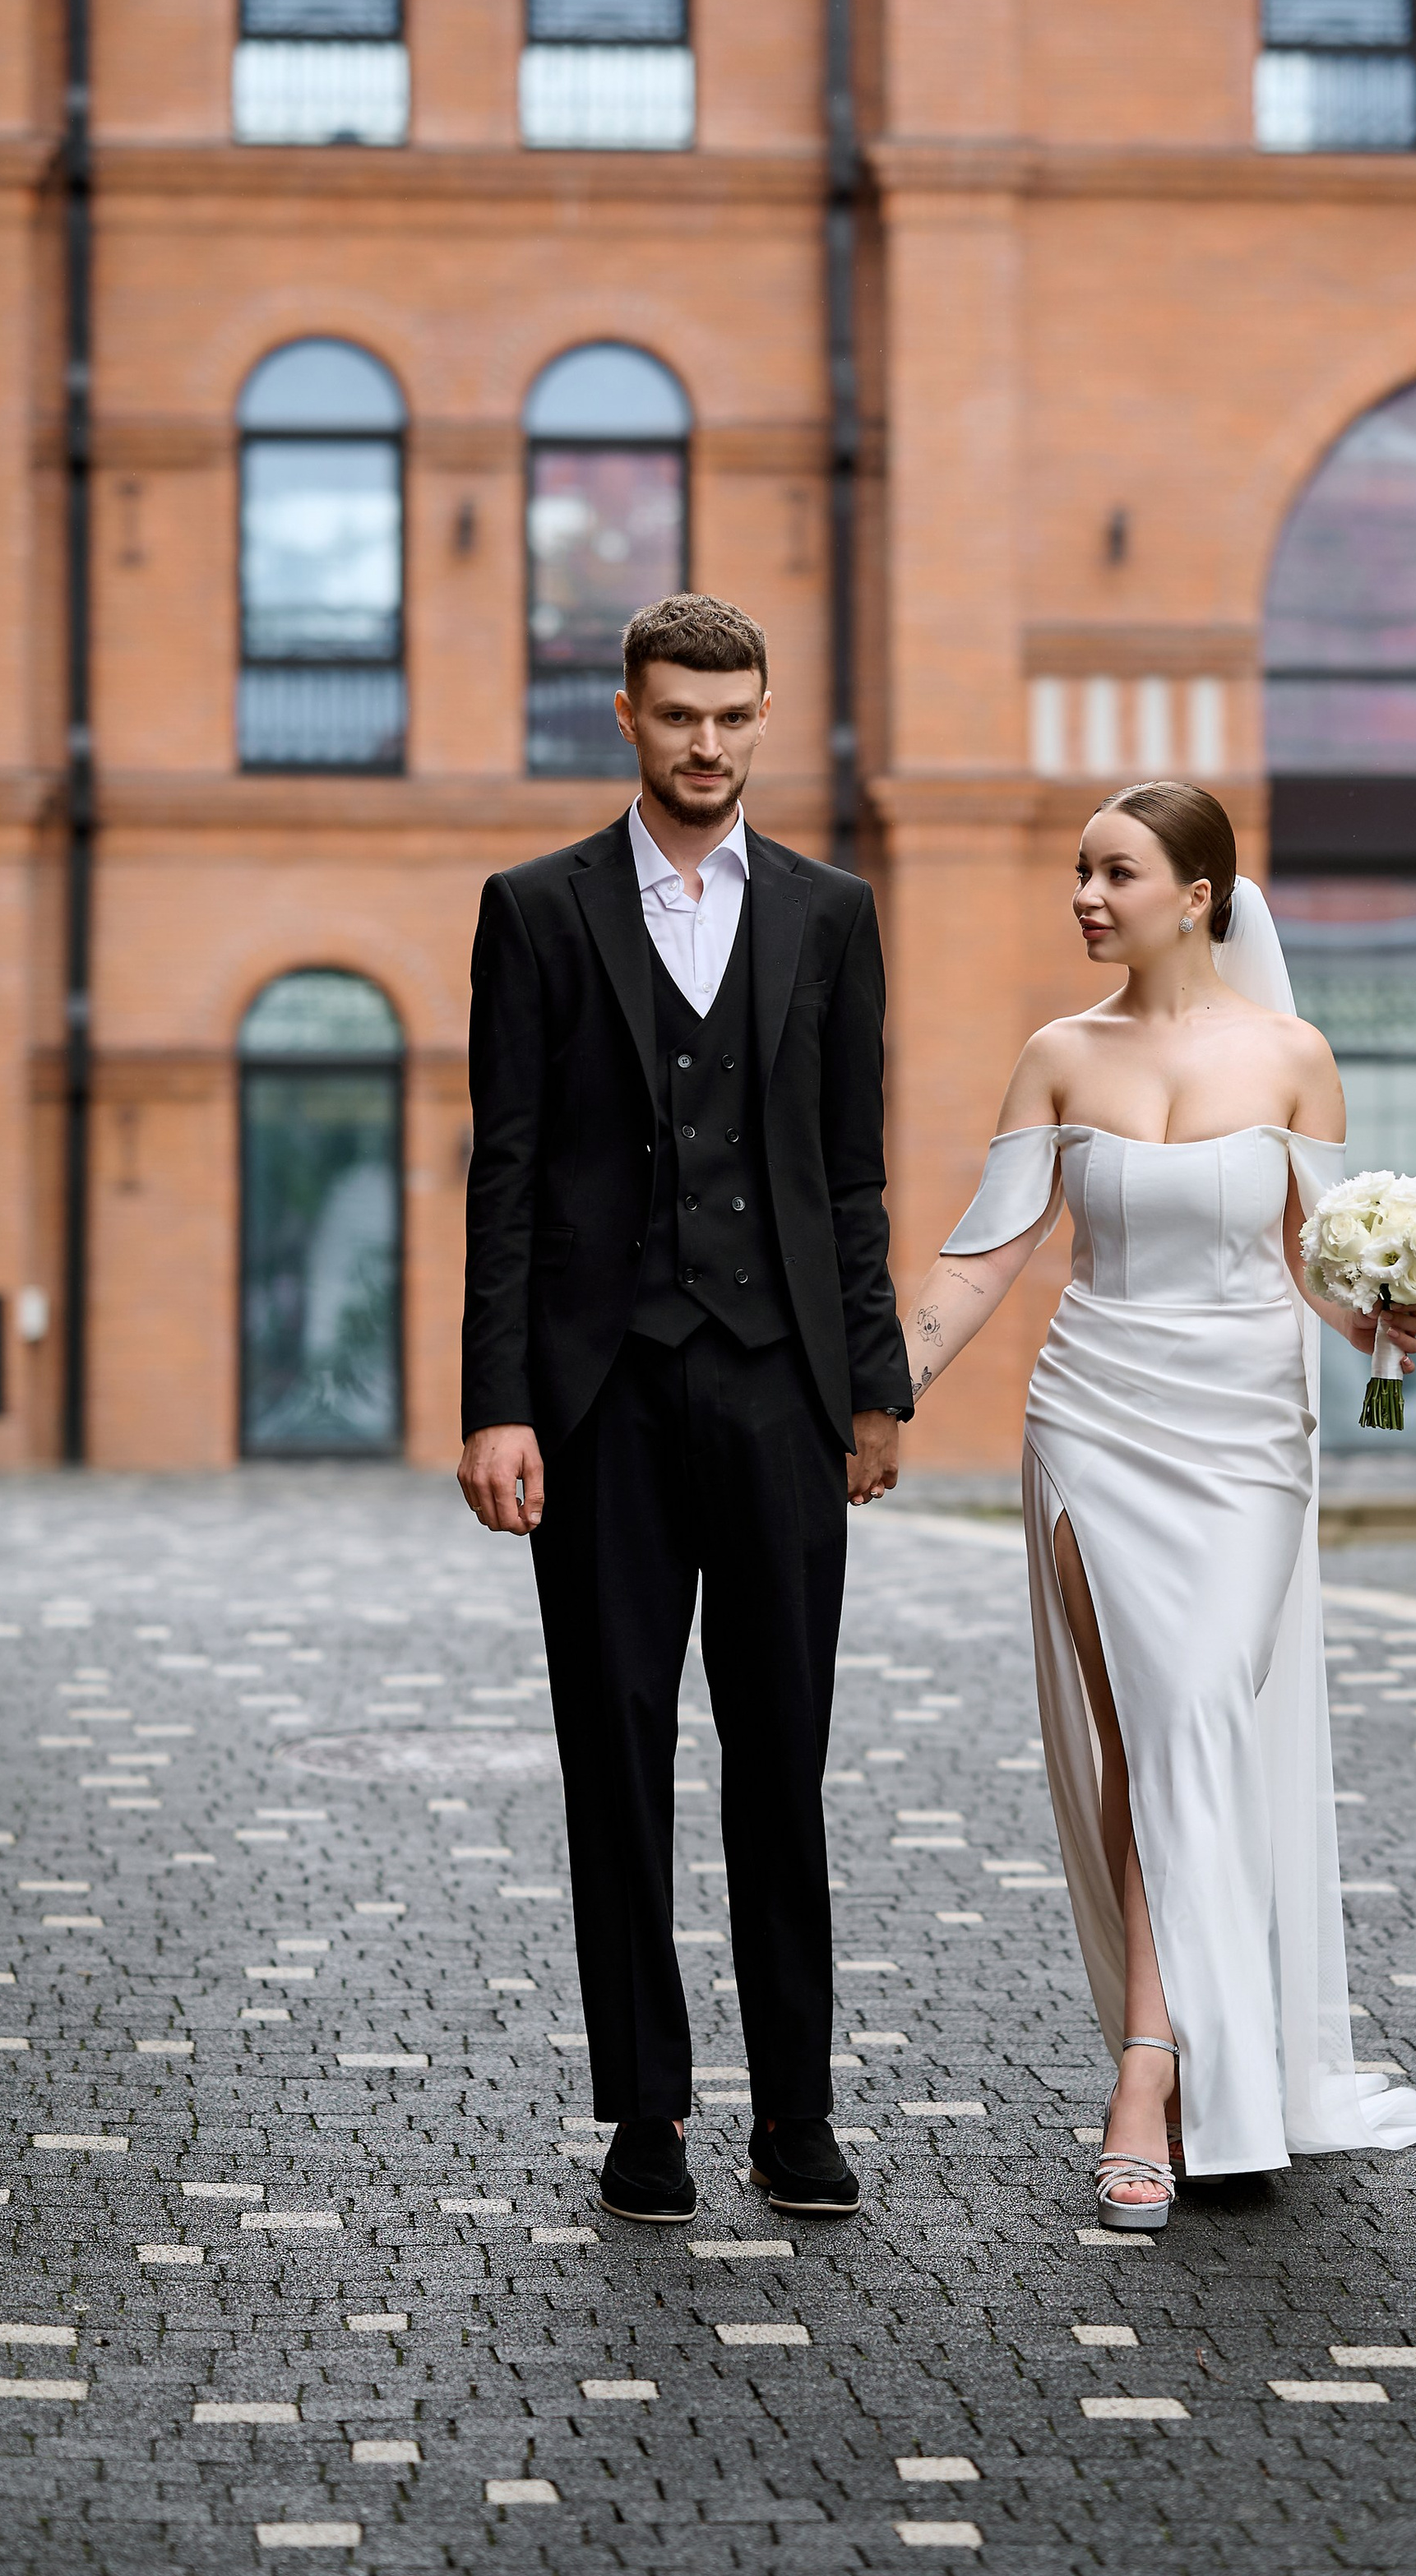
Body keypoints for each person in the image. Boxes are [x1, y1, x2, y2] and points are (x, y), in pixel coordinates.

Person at [899, 781, 1416, 2227]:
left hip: (1243, 1440)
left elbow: (1315, 1261)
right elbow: (986, 1256)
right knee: (1139, 1733)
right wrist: (880, 1390)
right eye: (1080, 874)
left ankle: (1156, 2071)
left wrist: (1382, 1321)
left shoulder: (1295, 1059)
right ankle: (1155, 2068)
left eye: (1116, 873)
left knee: (1196, 1714)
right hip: (1092, 1417)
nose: (1087, 897)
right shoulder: (1054, 1056)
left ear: (1199, 895)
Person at [456, 592, 913, 2228]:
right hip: (596, 1406)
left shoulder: (832, 913)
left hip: (782, 1391)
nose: (704, 744)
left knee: (780, 1761)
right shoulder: (533, 908)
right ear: (628, 717)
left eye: (732, 717)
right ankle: (642, 2109)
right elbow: (502, 1176)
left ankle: (795, 2108)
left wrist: (874, 1386)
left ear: (762, 716)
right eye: (676, 716)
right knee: (616, 1756)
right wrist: (495, 1403)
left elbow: (849, 1176)